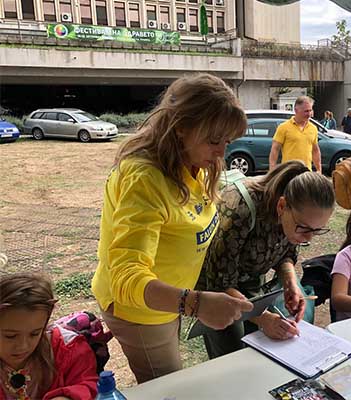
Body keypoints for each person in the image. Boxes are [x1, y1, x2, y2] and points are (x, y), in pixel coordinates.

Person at [91, 74, 254, 384]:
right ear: (181, 127)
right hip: (141, 311)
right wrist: (196, 303)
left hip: (168, 301)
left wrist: (202, 296)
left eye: (227, 141)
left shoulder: (194, 163)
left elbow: (188, 237)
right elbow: (127, 277)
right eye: (213, 140)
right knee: (168, 387)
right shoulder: (144, 178)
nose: (222, 152)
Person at [198, 160, 335, 358]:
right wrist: (262, 318)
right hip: (217, 288)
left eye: (317, 230)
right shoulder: (241, 209)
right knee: (231, 355)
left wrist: (290, 283)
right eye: (304, 228)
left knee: (259, 352)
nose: (308, 238)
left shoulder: (296, 214)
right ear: (281, 206)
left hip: (249, 280)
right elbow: (218, 283)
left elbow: (285, 253)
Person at [0, 273, 98, 400]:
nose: (23, 346)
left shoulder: (68, 348)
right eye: (10, 336)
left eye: (35, 334)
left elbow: (88, 383)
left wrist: (68, 397)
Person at [269, 96, 322, 173]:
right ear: (296, 110)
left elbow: (315, 150)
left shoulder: (313, 128)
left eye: (310, 110)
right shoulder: (283, 127)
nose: (309, 114)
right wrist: (272, 170)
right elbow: (275, 149)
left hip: (306, 173)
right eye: (306, 111)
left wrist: (319, 169)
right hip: (288, 172)